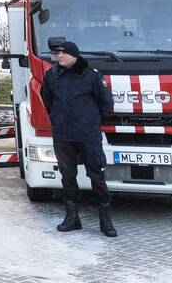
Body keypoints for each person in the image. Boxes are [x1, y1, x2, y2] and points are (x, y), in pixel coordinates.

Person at [40, 39, 117, 237]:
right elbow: (47, 99)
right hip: (64, 136)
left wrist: (87, 119)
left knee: (97, 176)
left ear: (74, 55)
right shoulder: (52, 76)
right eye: (57, 54)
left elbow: (106, 103)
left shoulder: (91, 76)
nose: (59, 57)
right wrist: (59, 118)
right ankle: (72, 218)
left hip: (88, 136)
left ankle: (105, 221)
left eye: (63, 54)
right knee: (67, 177)